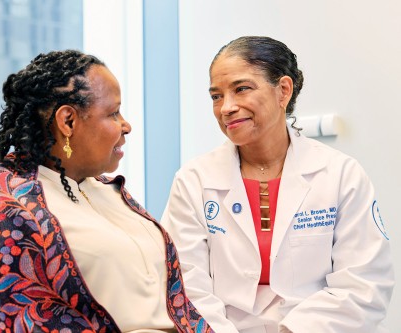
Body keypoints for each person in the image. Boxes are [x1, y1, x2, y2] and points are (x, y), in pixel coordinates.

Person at [160, 36, 394, 333]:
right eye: (216, 96)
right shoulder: (194, 180)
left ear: (283, 90)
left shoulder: (339, 174)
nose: (226, 108)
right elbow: (186, 286)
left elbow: (365, 284)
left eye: (241, 89)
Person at [0, 50, 213, 333]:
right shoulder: (4, 206)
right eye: (113, 113)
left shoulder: (101, 186)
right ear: (68, 122)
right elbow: (15, 317)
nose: (126, 126)